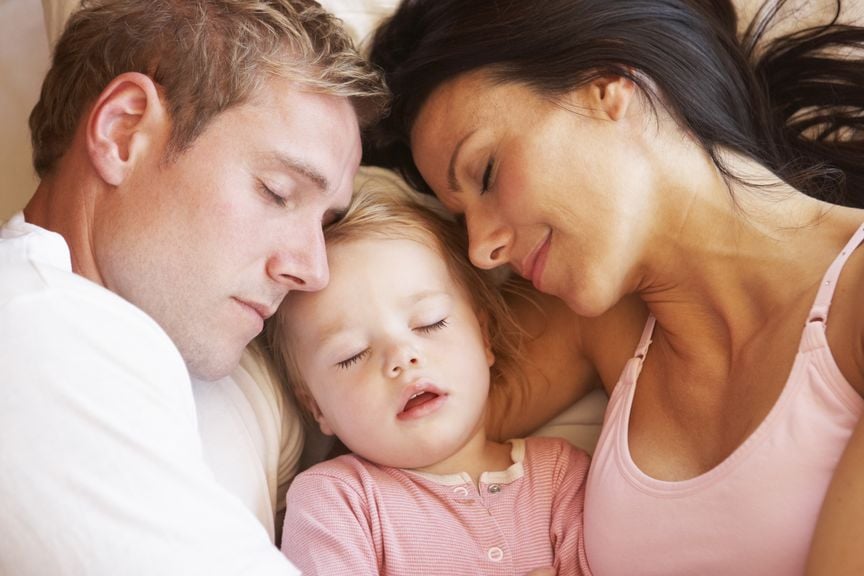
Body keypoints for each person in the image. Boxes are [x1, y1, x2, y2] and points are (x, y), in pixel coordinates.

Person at [366, 0, 864, 574]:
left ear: (609, 84)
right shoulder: (601, 322)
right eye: (463, 218)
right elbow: (375, 410)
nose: (481, 250)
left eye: (486, 173)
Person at [0, 0, 386, 574]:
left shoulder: (238, 377)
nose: (313, 269)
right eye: (277, 192)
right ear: (123, 131)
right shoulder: (31, 325)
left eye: (327, 223)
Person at [266, 180, 592, 575]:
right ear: (317, 407)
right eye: (353, 355)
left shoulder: (560, 475)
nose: (402, 357)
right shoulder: (337, 500)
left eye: (429, 323)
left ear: (484, 338)